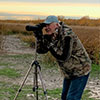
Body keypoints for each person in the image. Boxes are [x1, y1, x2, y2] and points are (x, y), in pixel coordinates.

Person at [36, 15, 91, 100]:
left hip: (81, 70)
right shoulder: (53, 34)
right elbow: (41, 51)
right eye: (45, 25)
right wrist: (39, 37)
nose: (46, 28)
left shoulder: (67, 35)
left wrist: (50, 45)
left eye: (48, 25)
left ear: (57, 25)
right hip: (68, 72)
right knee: (64, 97)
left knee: (72, 98)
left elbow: (64, 56)